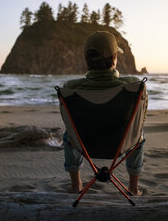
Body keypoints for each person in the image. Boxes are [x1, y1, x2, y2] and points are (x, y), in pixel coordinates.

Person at [62, 31, 147, 196]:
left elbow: (68, 123)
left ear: (87, 59)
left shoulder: (70, 88)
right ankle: (133, 189)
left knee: (68, 136)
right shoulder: (135, 86)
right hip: (121, 146)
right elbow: (140, 120)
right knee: (139, 137)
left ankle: (75, 185)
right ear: (114, 58)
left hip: (84, 146)